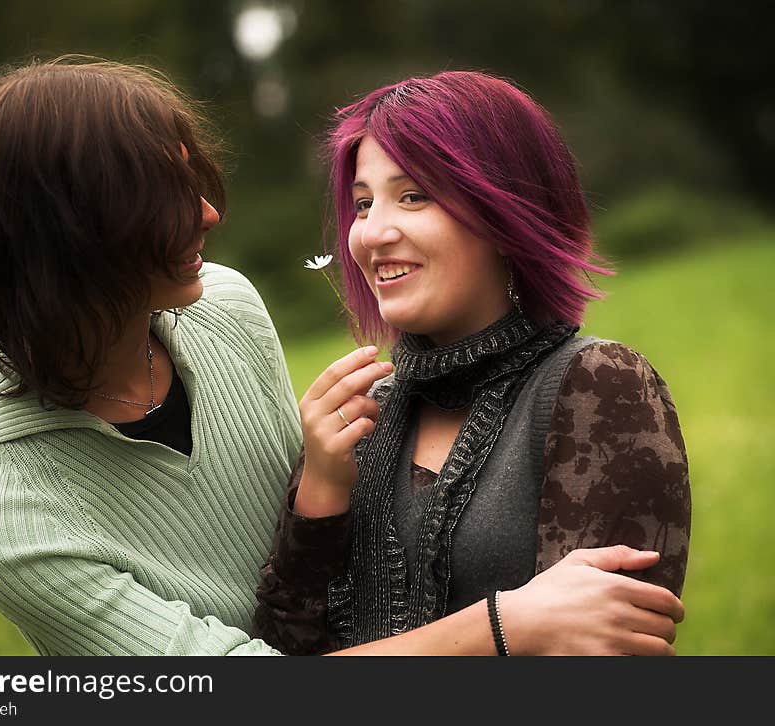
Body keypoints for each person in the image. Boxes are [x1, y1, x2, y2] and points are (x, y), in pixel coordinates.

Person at [0, 58, 685, 656]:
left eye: (415, 195)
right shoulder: (4, 512)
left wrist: (319, 488)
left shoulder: (223, 306)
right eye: (362, 204)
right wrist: (499, 626)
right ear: (77, 233)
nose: (208, 211)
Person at [253, 71, 691, 655]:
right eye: (363, 204)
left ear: (503, 211)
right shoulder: (356, 422)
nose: (372, 233)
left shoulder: (598, 388)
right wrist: (319, 497)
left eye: (414, 195)